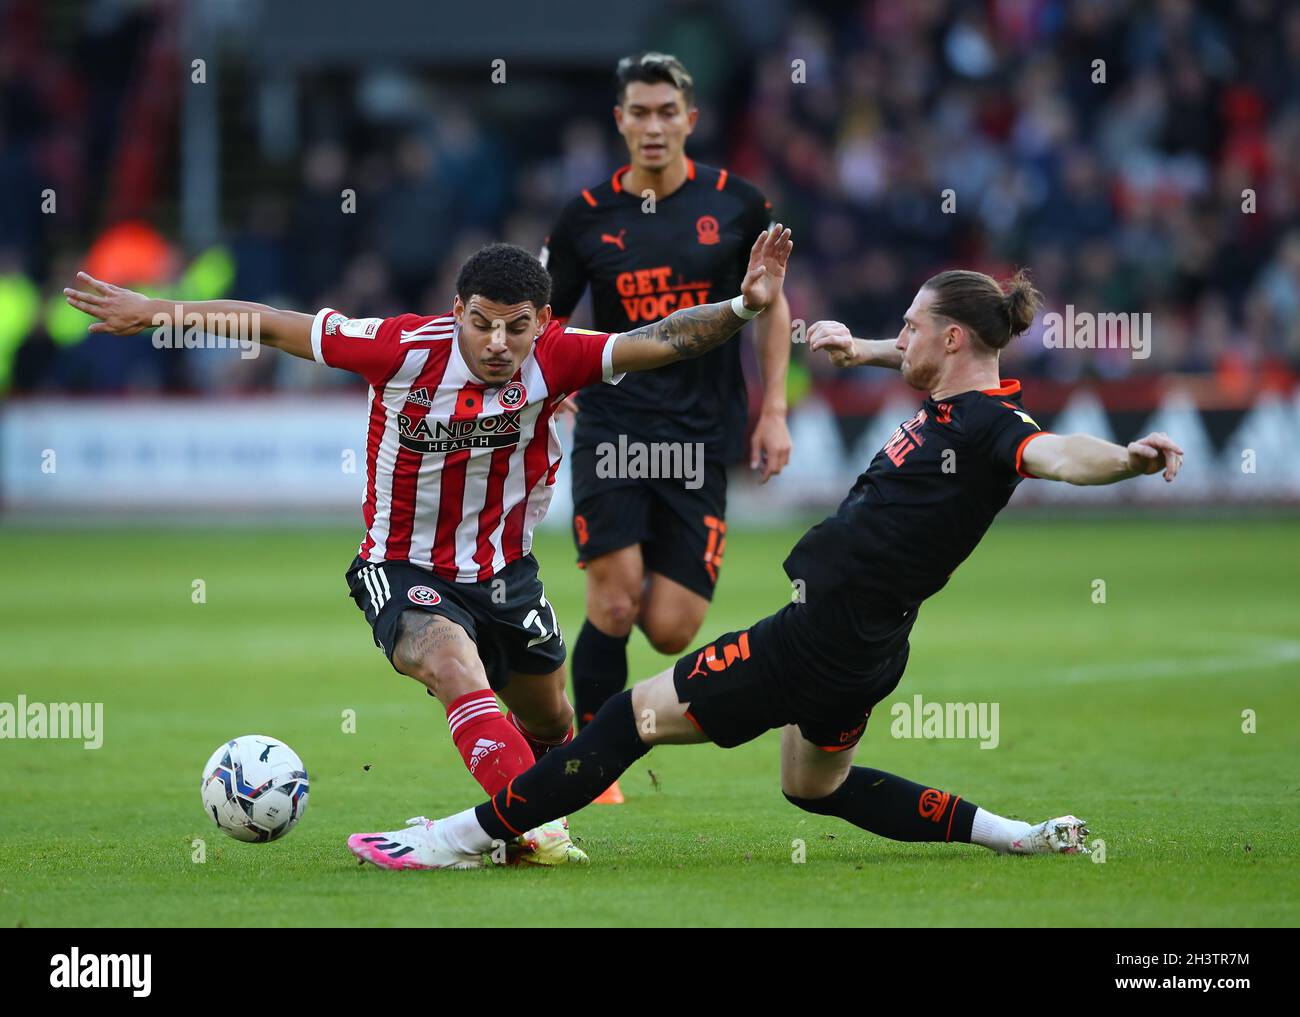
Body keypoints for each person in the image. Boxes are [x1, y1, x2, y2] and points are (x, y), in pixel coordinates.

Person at [340, 268, 1185, 871]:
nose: (903, 337)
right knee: (815, 786)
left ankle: (459, 835)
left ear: (953, 336)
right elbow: (936, 370)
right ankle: (1017, 834)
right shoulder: (967, 402)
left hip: (812, 637)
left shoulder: (995, 433)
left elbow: (1061, 455)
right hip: (874, 649)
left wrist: (1127, 460)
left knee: (626, 720)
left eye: (912, 326)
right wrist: (862, 350)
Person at [62, 223, 792, 867]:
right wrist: (154, 310)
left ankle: (521, 822)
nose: (497, 344)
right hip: (399, 563)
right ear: (456, 314)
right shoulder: (399, 348)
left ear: (542, 321)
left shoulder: (561, 357)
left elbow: (663, 338)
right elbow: (270, 323)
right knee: (450, 660)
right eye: (480, 325)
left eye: (515, 327)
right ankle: (535, 831)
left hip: (505, 572)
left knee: (552, 721)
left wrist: (743, 307)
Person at [541, 53, 792, 802]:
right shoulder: (586, 214)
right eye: (638, 113)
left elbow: (772, 303)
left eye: (666, 112)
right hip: (615, 425)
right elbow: (549, 317)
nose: (653, 126)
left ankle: (613, 588)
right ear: (620, 122)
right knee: (613, 603)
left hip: (700, 436)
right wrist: (551, 388)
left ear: (690, 119)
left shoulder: (739, 203)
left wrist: (773, 407)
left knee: (674, 629)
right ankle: (588, 764)